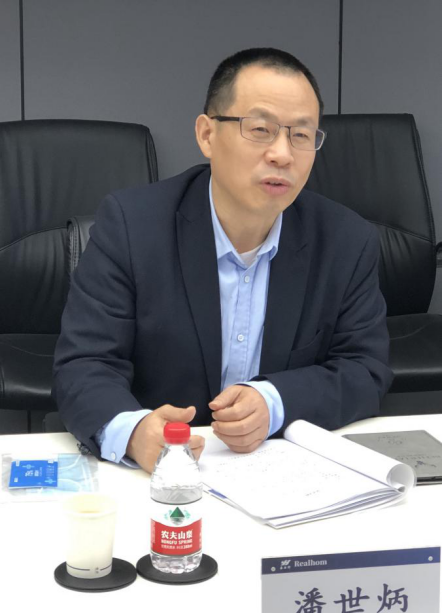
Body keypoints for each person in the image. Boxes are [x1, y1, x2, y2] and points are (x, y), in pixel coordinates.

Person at [53, 47, 393, 473]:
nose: (283, 154)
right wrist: (135, 432)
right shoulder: (132, 226)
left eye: (302, 135)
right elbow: (85, 364)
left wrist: (275, 401)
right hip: (157, 477)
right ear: (207, 135)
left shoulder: (345, 240)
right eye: (261, 129)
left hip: (278, 472)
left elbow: (365, 368)